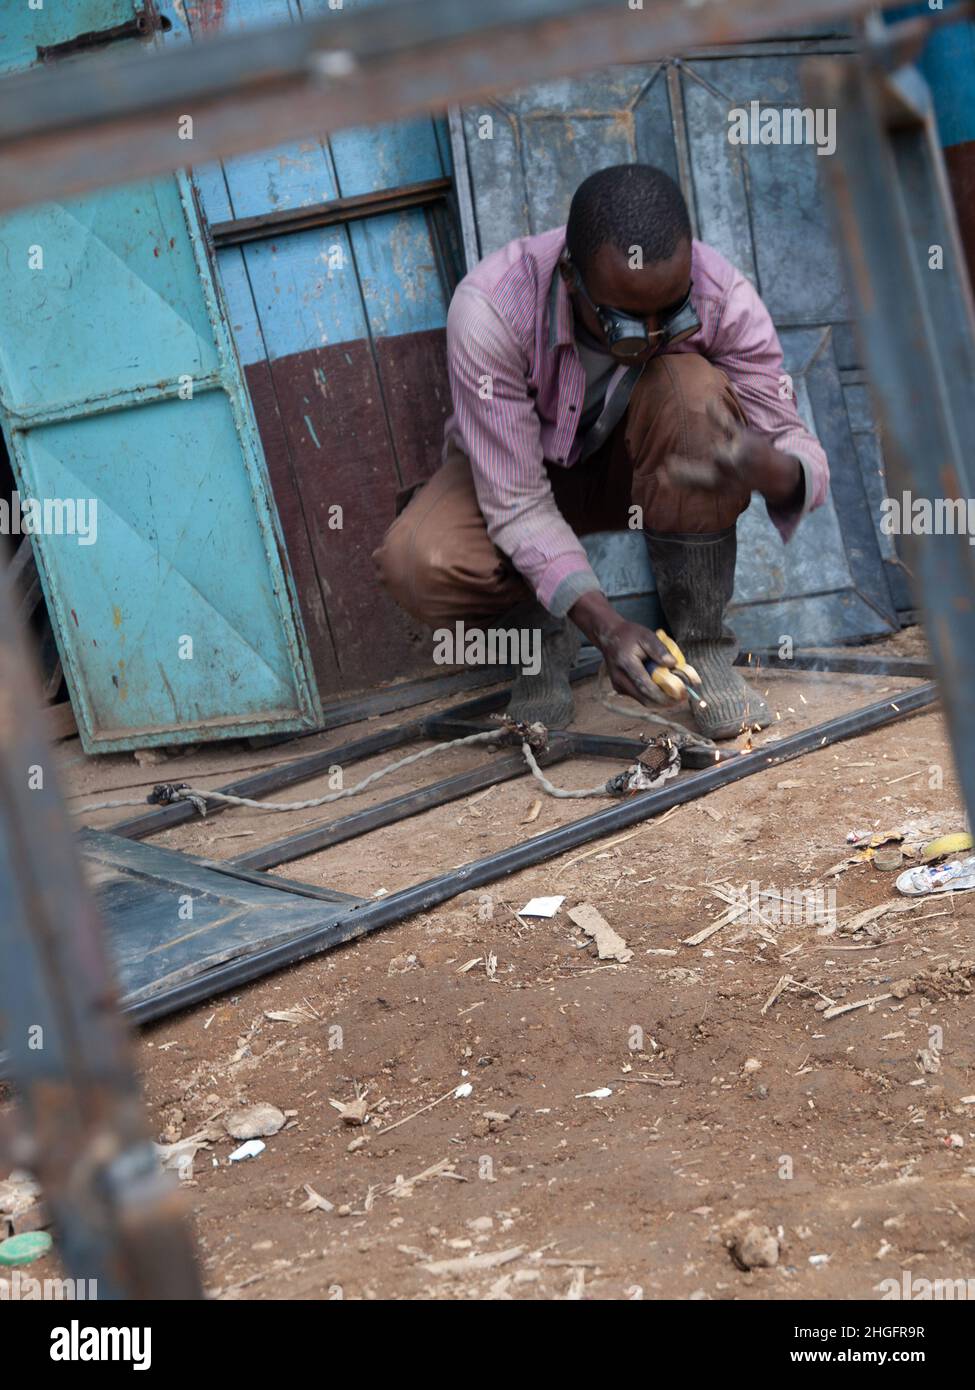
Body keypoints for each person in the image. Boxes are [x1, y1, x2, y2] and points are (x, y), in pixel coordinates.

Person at [374, 163, 829, 739]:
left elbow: (795, 443)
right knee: (419, 561)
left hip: (644, 473)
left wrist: (774, 469)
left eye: (674, 310)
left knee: (695, 396)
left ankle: (703, 649)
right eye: (626, 320)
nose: (655, 333)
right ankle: (540, 648)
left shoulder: (723, 295)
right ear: (570, 275)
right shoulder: (492, 308)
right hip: (517, 479)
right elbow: (515, 503)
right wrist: (607, 626)